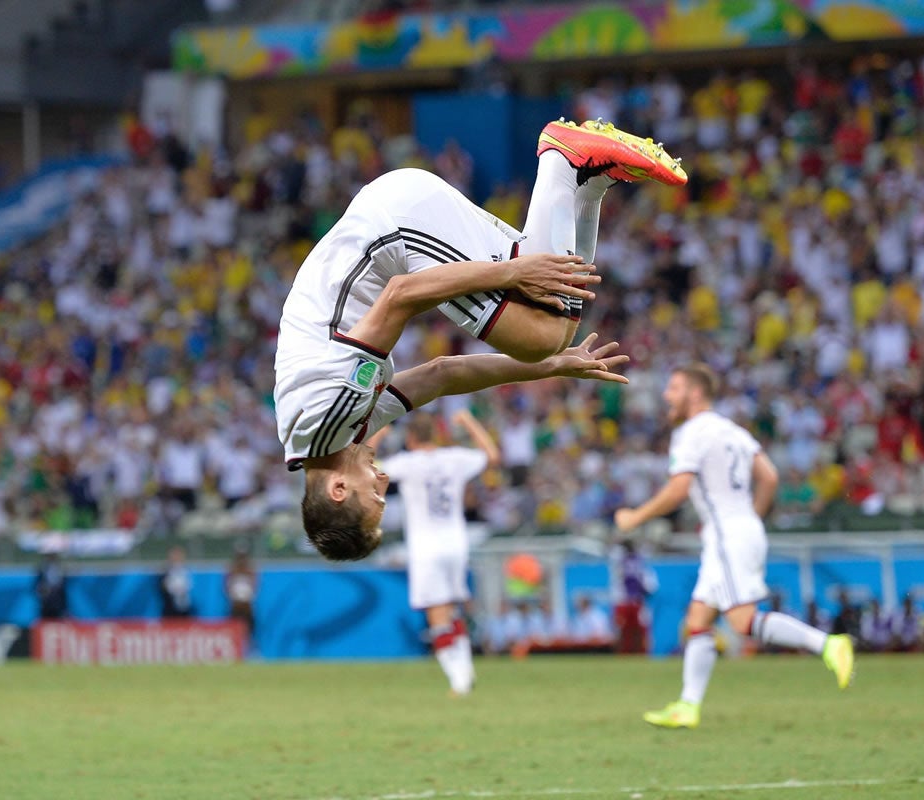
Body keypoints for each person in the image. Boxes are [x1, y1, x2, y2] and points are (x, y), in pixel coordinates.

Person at [277, 119, 685, 561]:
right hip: (392, 218)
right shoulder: (331, 435)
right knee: (554, 330)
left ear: (339, 489)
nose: (384, 485)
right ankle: (590, 180)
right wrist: (552, 367)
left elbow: (400, 296)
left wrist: (512, 274)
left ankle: (563, 159)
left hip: (392, 228)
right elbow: (442, 374)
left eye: (374, 498)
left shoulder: (328, 417)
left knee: (539, 332)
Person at [613, 364, 854, 730]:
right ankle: (687, 706)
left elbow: (679, 489)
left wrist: (635, 518)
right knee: (698, 619)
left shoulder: (691, 433)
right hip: (740, 527)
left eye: (674, 388)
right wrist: (751, 518)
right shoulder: (733, 430)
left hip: (727, 532)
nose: (667, 395)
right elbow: (769, 477)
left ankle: (828, 644)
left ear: (695, 393)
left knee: (742, 620)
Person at [377, 409, 501, 696]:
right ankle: (466, 669)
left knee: (437, 615)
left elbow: (368, 468)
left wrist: (379, 435)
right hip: (456, 542)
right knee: (452, 608)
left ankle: (459, 679)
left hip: (426, 547)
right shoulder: (455, 458)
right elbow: (492, 456)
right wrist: (470, 422)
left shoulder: (407, 463)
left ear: (410, 437)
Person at [610, 539, 656, 654]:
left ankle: (641, 653)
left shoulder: (638, 561)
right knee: (624, 629)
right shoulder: (620, 559)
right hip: (626, 600)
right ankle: (623, 653)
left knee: (639, 629)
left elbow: (649, 585)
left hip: (635, 601)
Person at [225, 549, 258, 644]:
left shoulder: (249, 570)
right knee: (235, 627)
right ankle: (235, 646)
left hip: (247, 605)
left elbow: (254, 586)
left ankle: (249, 648)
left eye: (243, 558)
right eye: (240, 558)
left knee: (250, 629)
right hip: (236, 604)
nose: (241, 560)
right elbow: (227, 587)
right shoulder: (232, 570)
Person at [159, 546, 194, 619]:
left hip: (184, 606)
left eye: (179, 555)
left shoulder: (186, 570)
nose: (177, 558)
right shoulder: (165, 571)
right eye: (174, 555)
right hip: (170, 607)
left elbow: (189, 586)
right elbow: (162, 587)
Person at [35, 552, 67, 620]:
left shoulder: (58, 567)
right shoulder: (43, 567)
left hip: (56, 596)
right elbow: (40, 583)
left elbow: (59, 582)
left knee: (57, 613)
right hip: (47, 596)